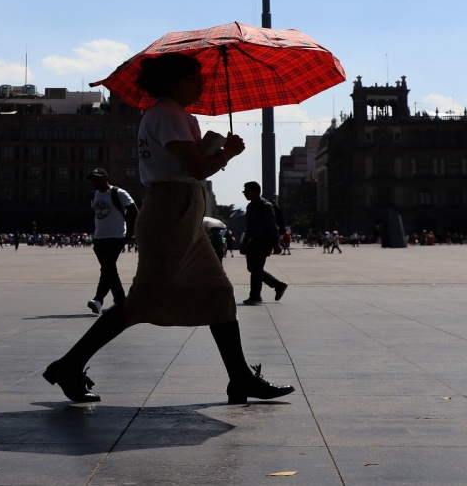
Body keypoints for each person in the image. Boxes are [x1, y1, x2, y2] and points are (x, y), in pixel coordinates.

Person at [42, 52, 294, 405]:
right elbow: (194, 168)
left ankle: (240, 378)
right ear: (171, 81)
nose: (200, 83)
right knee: (140, 302)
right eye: (193, 77)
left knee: (219, 294)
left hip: (182, 215)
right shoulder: (169, 114)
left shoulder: (170, 115)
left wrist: (211, 150)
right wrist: (227, 154)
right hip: (170, 214)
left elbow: (186, 164)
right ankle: (68, 365)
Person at [86, 167, 137, 314]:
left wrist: (129, 234)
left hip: (116, 236)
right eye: (93, 179)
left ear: (107, 178)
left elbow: (134, 211)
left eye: (98, 178)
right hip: (99, 237)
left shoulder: (118, 193)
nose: (95, 182)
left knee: (107, 268)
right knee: (109, 269)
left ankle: (98, 299)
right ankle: (121, 301)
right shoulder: (93, 195)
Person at [240, 181, 288, 305]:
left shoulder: (265, 205)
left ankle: (256, 295)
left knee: (256, 268)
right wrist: (245, 241)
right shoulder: (250, 206)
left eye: (247, 192)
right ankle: (277, 285)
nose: (245, 194)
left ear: (255, 192)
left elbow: (272, 226)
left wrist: (276, 244)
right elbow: (248, 226)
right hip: (252, 242)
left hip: (263, 242)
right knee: (253, 268)